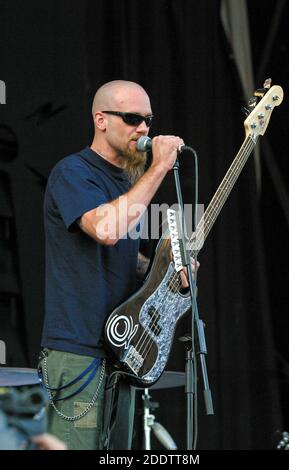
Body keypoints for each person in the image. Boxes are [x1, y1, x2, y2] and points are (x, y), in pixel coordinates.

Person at [39, 80, 191, 450]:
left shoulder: (127, 181)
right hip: (79, 349)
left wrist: (167, 272)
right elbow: (106, 230)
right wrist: (158, 170)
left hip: (123, 350)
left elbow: (129, 260)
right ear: (101, 119)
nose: (142, 129)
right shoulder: (73, 172)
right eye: (132, 118)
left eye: (148, 120)